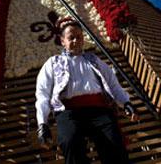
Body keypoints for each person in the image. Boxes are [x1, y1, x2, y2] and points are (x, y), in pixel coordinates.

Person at [35, 19, 138, 164]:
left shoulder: (94, 60)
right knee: (69, 142)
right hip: (68, 112)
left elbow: (113, 84)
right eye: (71, 37)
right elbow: (43, 94)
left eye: (79, 37)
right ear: (62, 40)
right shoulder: (53, 63)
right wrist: (42, 124)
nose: (76, 40)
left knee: (113, 141)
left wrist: (126, 103)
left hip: (98, 110)